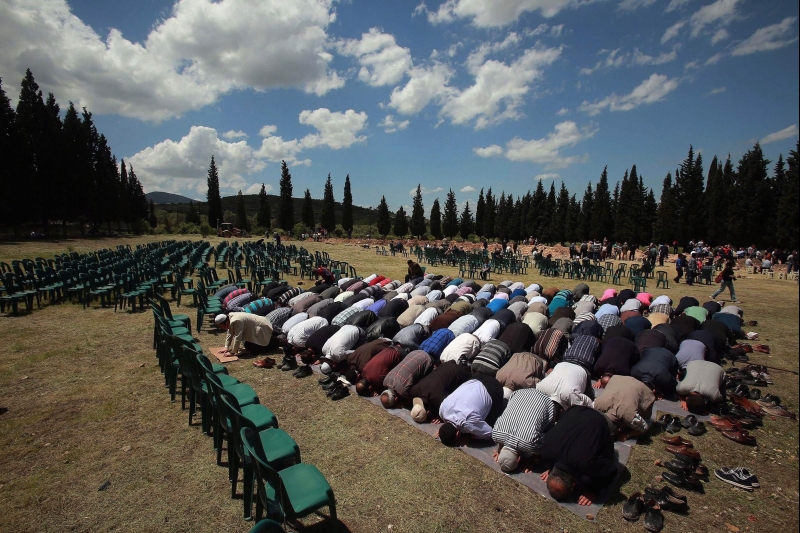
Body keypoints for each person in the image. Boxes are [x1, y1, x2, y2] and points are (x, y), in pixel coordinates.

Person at [539, 406, 618, 506]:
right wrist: (551, 468)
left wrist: (594, 491)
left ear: (573, 485)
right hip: (576, 409)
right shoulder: (546, 452)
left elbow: (611, 471)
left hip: (603, 420)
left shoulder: (588, 464)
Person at [492, 388, 558, 472]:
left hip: (546, 402)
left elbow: (543, 445)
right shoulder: (495, 434)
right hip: (520, 393)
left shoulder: (530, 445)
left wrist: (532, 461)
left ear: (519, 459)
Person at [437, 374, 505, 445]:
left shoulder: (468, 422)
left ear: (457, 434)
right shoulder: (442, 410)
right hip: (475, 378)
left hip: (494, 387)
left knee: (492, 422)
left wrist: (469, 437)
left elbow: (490, 433)